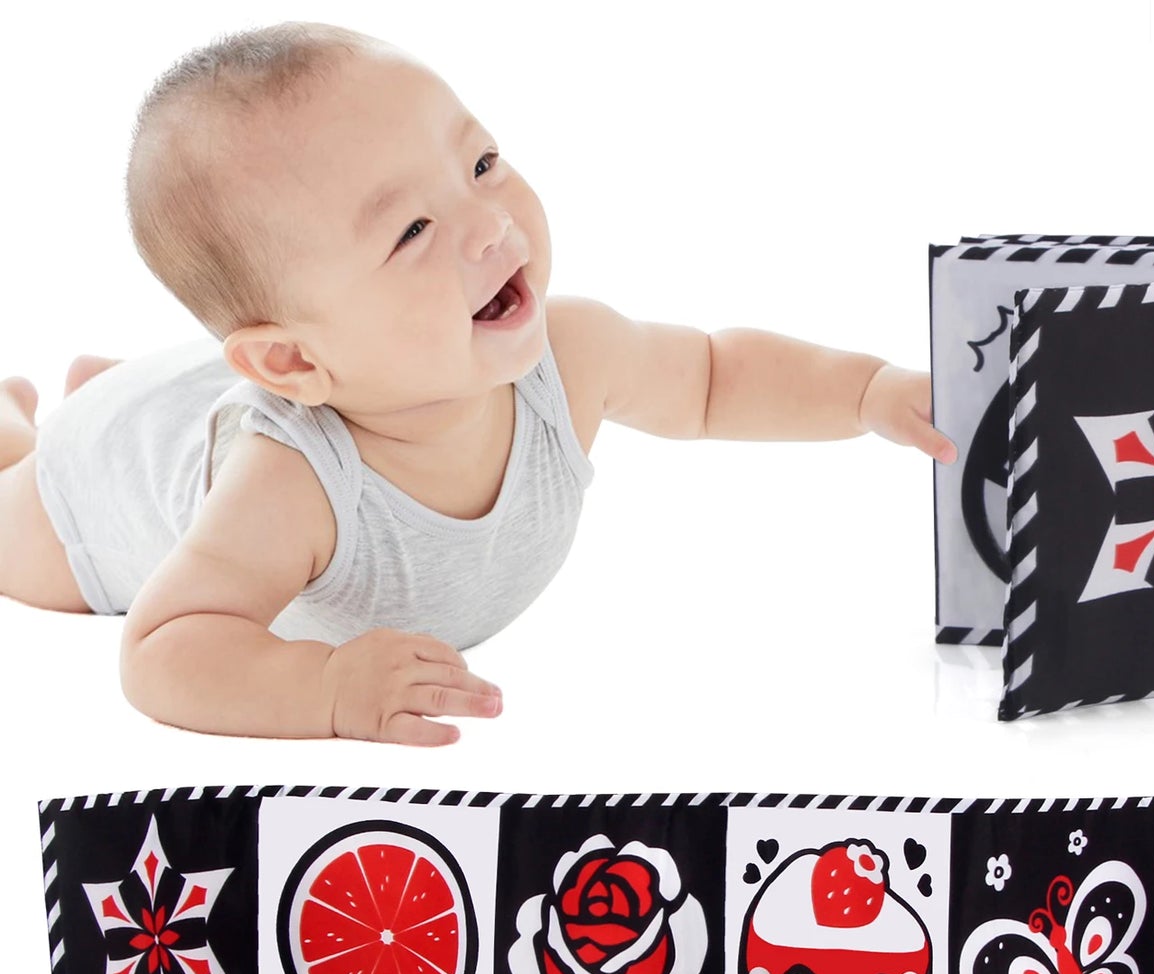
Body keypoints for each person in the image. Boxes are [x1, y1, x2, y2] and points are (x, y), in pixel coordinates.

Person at [0, 21, 956, 746]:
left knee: (162, 405)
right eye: (411, 232)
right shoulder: (290, 487)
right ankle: (32, 425)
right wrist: (324, 691)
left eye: (481, 163)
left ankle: (104, 387)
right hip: (93, 489)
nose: (489, 226)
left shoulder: (565, 359)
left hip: (204, 389)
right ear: (294, 363)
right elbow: (163, 648)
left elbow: (712, 375)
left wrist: (866, 391)